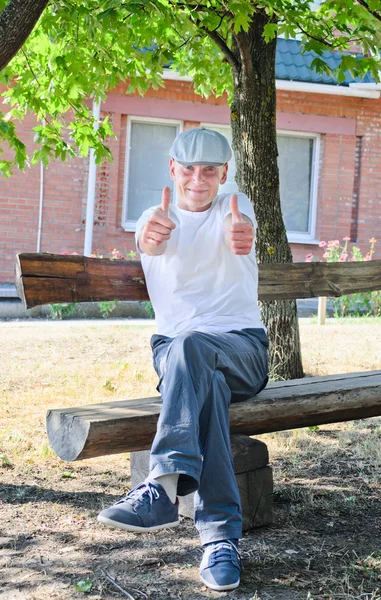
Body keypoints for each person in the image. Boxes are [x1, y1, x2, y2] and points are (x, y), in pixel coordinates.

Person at [98, 127, 269, 592]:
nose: (198, 178)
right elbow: (149, 243)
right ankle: (220, 539)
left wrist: (241, 235)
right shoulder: (153, 218)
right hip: (177, 357)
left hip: (243, 349)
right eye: (189, 168)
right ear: (173, 169)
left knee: (193, 345)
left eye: (210, 170)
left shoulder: (237, 208)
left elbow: (243, 231)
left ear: (224, 174)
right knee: (201, 376)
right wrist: (150, 239)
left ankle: (162, 488)